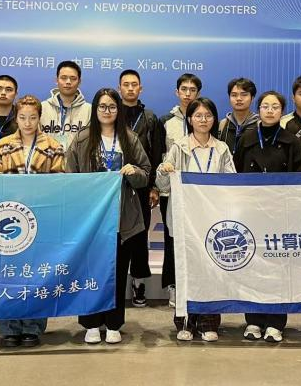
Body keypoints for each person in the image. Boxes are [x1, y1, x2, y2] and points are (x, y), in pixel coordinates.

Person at [65, 88, 151, 345]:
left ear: (118, 110)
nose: (107, 111)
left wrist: (134, 172)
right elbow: (70, 177)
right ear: (95, 109)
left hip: (122, 219)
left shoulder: (129, 138)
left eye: (112, 107)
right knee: (90, 272)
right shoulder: (82, 139)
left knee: (117, 272)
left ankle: (114, 323)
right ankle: (91, 323)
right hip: (92, 219)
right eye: (102, 106)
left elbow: (146, 173)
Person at [0, 94, 66, 348]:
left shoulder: (54, 146)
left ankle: (33, 326)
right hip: (8, 216)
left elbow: (58, 183)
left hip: (40, 218)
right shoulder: (3, 146)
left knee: (37, 273)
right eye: (22, 117)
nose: (28, 122)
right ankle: (8, 327)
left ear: (40, 117)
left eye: (33, 117)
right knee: (8, 273)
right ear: (16, 117)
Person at [156, 97, 235, 342]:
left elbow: (232, 182)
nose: (203, 120)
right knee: (185, 272)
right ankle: (185, 323)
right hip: (184, 220)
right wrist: (164, 171)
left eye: (208, 116)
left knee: (211, 271)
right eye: (198, 116)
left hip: (212, 221)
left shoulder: (221, 149)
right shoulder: (179, 147)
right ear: (189, 119)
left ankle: (209, 322)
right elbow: (162, 185)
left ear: (214, 119)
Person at [234, 90, 301, 343]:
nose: (270, 110)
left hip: (280, 214)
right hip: (251, 213)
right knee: (252, 266)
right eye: (265, 106)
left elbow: (300, 179)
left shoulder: (291, 141)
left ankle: (276, 323)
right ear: (259, 109)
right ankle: (253, 320)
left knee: (278, 268)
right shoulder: (246, 139)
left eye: (275, 107)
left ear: (282, 111)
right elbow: (236, 174)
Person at [117, 69, 164, 308]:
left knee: (139, 236)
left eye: (134, 84)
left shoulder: (150, 118)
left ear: (140, 88)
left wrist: (154, 186)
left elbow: (156, 154)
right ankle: (113, 284)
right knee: (115, 238)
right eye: (126, 84)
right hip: (114, 187)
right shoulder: (112, 114)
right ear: (119, 88)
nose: (130, 88)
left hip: (141, 185)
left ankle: (139, 282)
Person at [158, 73, 202, 306]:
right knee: (172, 240)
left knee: (197, 240)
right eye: (184, 89)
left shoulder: (205, 118)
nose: (188, 94)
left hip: (199, 194)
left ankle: (195, 285)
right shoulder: (166, 120)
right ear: (177, 92)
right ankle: (173, 286)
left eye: (192, 90)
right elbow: (158, 153)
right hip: (172, 191)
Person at [40, 60, 92, 150]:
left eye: (73, 78)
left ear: (79, 81)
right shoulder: (42, 107)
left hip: (77, 159)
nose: (68, 82)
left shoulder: (89, 110)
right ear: (56, 80)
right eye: (63, 78)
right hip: (47, 158)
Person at [216, 77, 259, 155]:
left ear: (252, 98)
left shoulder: (259, 124)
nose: (239, 98)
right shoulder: (222, 125)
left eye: (244, 95)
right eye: (234, 95)